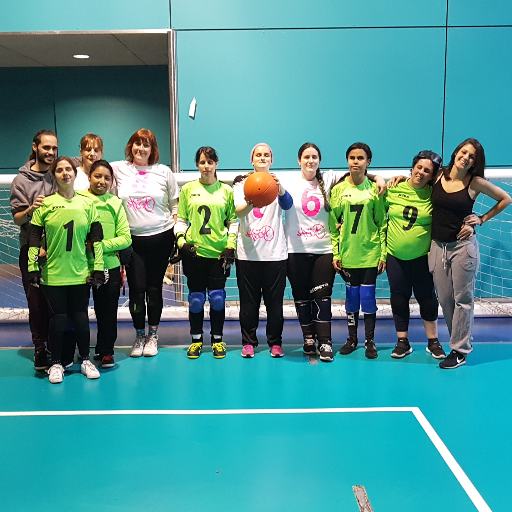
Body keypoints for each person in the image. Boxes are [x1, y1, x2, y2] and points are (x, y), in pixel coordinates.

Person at [428, 138, 511, 368]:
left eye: (471, 156)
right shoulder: (437, 175)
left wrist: (481, 219)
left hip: (463, 248)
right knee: (445, 300)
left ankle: (459, 350)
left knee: (463, 300)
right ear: (456, 152)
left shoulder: (474, 182)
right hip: (437, 247)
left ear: (475, 162)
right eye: (464, 152)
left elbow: (506, 199)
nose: (466, 157)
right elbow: (415, 179)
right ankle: (458, 343)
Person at [28, 157, 106, 384]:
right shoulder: (45, 204)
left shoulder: (88, 204)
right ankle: (56, 363)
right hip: (53, 274)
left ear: (75, 173)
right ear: (54, 175)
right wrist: (33, 266)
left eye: (68, 169)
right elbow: (34, 239)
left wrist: (98, 267)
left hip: (80, 272)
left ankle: (85, 359)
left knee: (81, 317)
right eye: (59, 170)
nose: (65, 173)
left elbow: (96, 239)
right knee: (58, 319)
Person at [111, 129, 179, 357]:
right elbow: (89, 166)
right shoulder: (119, 168)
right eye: (137, 144)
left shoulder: (163, 171)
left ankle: (153, 335)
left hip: (161, 237)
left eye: (146, 145)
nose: (141, 149)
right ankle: (139, 336)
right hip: (132, 241)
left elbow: (175, 206)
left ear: (153, 149)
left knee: (154, 288)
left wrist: (178, 235)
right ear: (130, 146)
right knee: (137, 291)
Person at [282, 143, 344, 362]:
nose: (311, 161)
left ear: (319, 160)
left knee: (322, 296)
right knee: (301, 297)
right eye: (306, 157)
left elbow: (359, 175)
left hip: (324, 250)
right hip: (295, 250)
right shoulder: (287, 182)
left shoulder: (329, 180)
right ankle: (308, 338)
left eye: (315, 157)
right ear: (298, 160)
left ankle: (325, 342)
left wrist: (380, 179)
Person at [175, 147, 237, 359]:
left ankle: (218, 340)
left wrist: (231, 246)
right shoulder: (188, 189)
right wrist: (181, 241)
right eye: (202, 162)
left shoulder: (226, 191)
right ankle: (196, 340)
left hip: (218, 254)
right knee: (196, 299)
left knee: (218, 298)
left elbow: (232, 222)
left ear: (216, 164)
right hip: (195, 254)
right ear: (197, 164)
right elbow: (181, 220)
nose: (206, 166)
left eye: (210, 162)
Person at [233, 143, 293, 358]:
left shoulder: (277, 184)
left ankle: (275, 343)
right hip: (247, 254)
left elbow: (288, 205)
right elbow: (238, 213)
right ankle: (248, 343)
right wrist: (252, 201)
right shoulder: (241, 185)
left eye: (266, 155)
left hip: (275, 255)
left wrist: (281, 188)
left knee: (274, 304)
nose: (262, 158)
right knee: (249, 303)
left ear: (271, 160)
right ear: (252, 159)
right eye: (258, 155)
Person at [385, 151, 445, 359]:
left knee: (427, 299)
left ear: (433, 175)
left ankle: (433, 341)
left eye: (427, 170)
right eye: (419, 167)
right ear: (412, 167)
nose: (421, 172)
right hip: (395, 256)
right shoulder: (393, 188)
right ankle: (402, 342)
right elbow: (375, 214)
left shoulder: (435, 194)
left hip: (422, 258)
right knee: (399, 299)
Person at [330, 143, 387, 359]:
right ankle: (352, 339)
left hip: (370, 254)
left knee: (368, 298)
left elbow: (382, 223)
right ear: (347, 161)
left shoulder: (376, 189)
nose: (356, 161)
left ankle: (370, 341)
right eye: (352, 157)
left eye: (360, 158)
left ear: (368, 162)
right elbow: (333, 224)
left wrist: (383, 254)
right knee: (352, 298)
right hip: (348, 255)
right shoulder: (338, 190)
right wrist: (336, 253)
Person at [10, 130, 58, 371]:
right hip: (32, 251)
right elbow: (18, 219)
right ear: (35, 147)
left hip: (59, 252)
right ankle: (40, 349)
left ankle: (57, 347)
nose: (50, 152)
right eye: (46, 147)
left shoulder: (59, 174)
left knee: (58, 303)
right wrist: (30, 209)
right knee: (36, 303)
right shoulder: (21, 181)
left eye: (54, 148)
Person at [80, 160, 131, 368]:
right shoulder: (78, 200)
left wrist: (98, 246)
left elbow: (125, 238)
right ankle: (80, 351)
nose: (102, 181)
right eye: (97, 176)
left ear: (111, 182)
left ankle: (106, 350)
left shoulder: (115, 203)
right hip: (79, 266)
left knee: (107, 311)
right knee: (77, 311)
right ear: (89, 177)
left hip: (108, 265)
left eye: (107, 178)